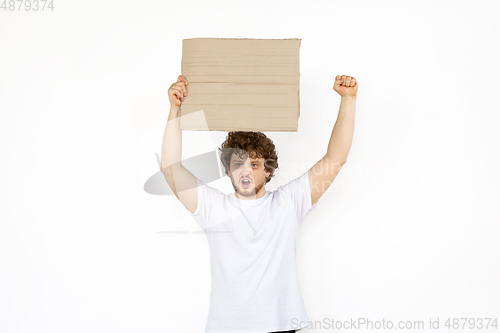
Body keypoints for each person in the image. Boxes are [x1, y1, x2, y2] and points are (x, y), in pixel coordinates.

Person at [161, 74, 358, 333]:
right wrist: (175, 110)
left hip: (280, 325)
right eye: (237, 164)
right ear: (228, 171)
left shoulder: (289, 202)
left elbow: (336, 158)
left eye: (253, 164)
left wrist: (348, 99)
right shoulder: (213, 207)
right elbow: (170, 168)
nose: (245, 172)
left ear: (267, 170)